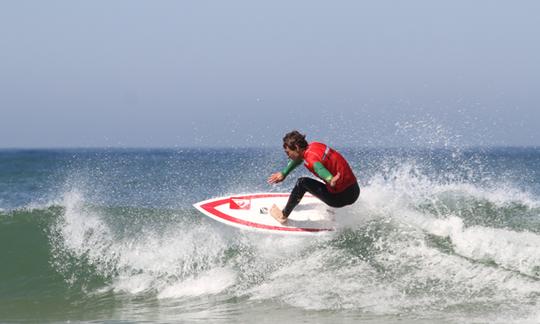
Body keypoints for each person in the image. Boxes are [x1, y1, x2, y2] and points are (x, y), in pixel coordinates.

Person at [267, 130, 360, 224]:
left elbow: (318, 168)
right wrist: (284, 173)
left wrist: (330, 179)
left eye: (288, 152)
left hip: (339, 199)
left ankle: (283, 215)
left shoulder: (311, 159)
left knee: (302, 183)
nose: (288, 156)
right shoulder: (315, 146)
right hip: (355, 191)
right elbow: (300, 159)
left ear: (296, 147)